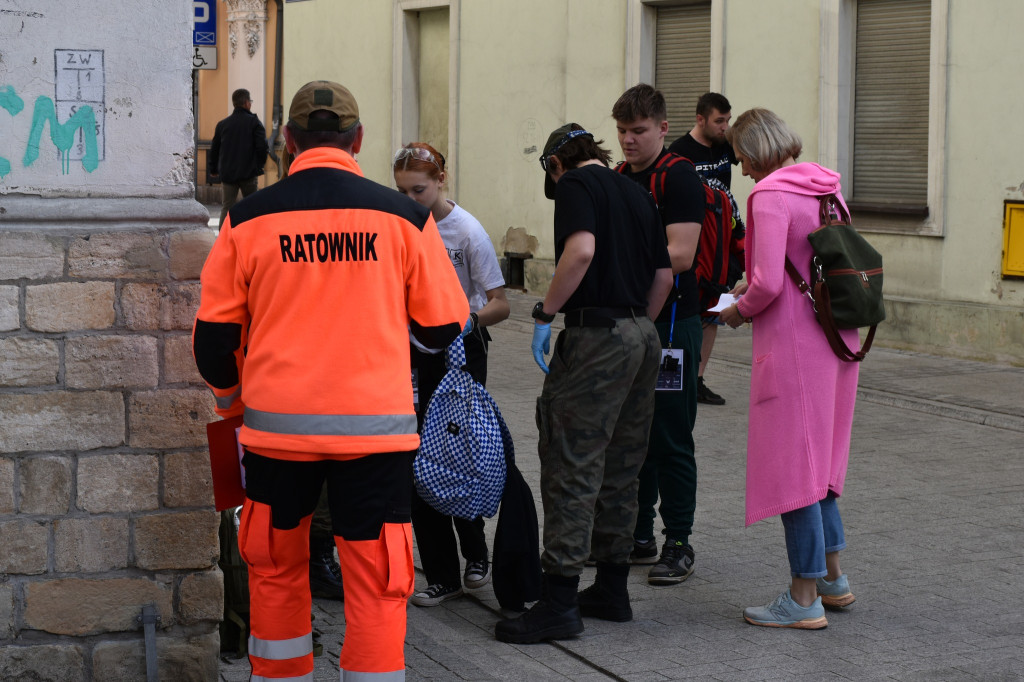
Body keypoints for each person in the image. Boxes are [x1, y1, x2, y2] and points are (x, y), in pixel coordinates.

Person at [193, 80, 469, 678]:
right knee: (377, 579)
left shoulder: (246, 218)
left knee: (275, 569)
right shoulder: (405, 216)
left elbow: (213, 342)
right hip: (376, 435)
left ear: (287, 141)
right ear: (358, 139)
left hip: (275, 435)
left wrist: (232, 403)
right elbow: (444, 326)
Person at [494, 123, 672, 644]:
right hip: (643, 334)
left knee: (571, 464)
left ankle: (559, 603)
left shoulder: (574, 184)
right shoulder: (636, 190)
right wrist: (635, 328)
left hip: (596, 337)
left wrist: (546, 311)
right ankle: (612, 590)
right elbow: (664, 276)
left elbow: (581, 252)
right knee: (622, 465)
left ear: (555, 163)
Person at [719, 108, 859, 629]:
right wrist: (755, 283)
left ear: (757, 151)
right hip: (837, 338)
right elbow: (806, 263)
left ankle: (803, 600)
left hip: (797, 345)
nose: (742, 170)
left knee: (795, 468)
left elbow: (769, 285)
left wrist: (739, 309)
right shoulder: (827, 187)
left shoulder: (769, 194)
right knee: (821, 463)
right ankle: (833, 580)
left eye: (742, 158)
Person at [392, 142, 511, 607]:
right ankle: (442, 575)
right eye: (401, 191)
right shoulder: (400, 225)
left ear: (441, 181)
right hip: (413, 355)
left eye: (418, 190)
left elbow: (501, 303)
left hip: (461, 354)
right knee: (419, 463)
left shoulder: (466, 231)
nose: (410, 200)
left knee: (458, 452)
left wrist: (466, 321)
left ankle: (476, 553)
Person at [612, 84, 705, 585]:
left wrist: (619, 258)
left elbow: (683, 255)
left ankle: (680, 542)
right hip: (630, 322)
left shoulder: (680, 177)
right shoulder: (619, 177)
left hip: (672, 328)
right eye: (622, 131)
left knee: (670, 435)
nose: (628, 140)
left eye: (638, 131)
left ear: (663, 128)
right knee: (634, 432)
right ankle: (640, 534)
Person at [668, 92, 742, 406]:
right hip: (691, 241)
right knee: (681, 309)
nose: (725, 127)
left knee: (714, 310)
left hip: (722, 241)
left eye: (728, 120)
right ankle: (673, 380)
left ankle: (697, 380)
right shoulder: (679, 152)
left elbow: (756, 150)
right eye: (719, 121)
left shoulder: (726, 145)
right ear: (700, 119)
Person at [209, 88, 269, 229]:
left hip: (228, 173)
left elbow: (215, 148)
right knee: (252, 205)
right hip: (249, 172)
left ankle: (223, 236)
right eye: (250, 101)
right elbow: (262, 147)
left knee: (227, 206)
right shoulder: (254, 123)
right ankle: (252, 234)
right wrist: (258, 166)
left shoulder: (223, 124)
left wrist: (213, 169)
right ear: (247, 103)